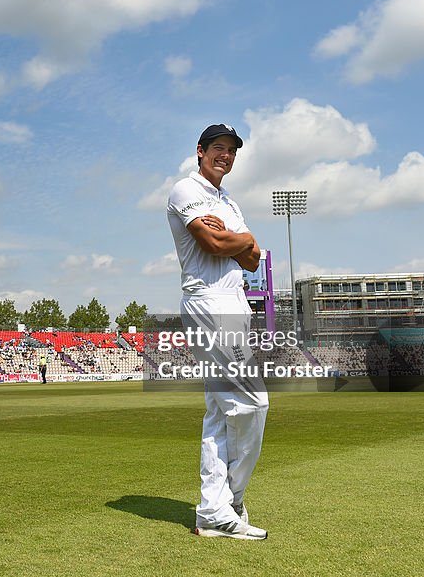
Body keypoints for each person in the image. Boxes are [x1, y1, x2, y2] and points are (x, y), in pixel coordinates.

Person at [166, 123, 268, 541]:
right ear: (200, 151)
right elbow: (211, 245)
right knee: (252, 402)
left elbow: (253, 260)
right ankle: (229, 501)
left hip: (233, 301)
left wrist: (240, 238)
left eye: (231, 151)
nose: (225, 156)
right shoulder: (184, 190)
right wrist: (238, 240)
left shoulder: (228, 201)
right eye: (218, 148)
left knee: (220, 410)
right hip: (210, 300)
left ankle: (215, 508)